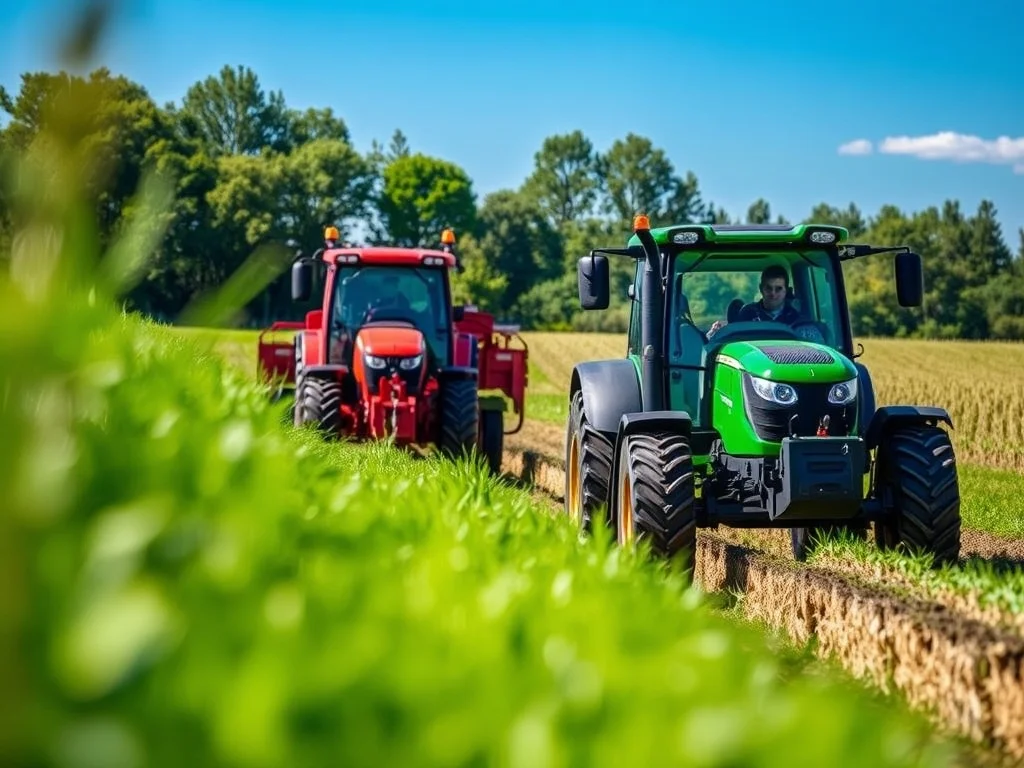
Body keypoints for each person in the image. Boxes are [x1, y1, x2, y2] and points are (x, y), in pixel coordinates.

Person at [707, 265, 803, 337]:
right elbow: (735, 339)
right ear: (761, 289)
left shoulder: (795, 317)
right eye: (768, 288)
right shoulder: (748, 312)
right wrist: (716, 333)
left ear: (786, 290)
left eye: (778, 289)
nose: (773, 293)